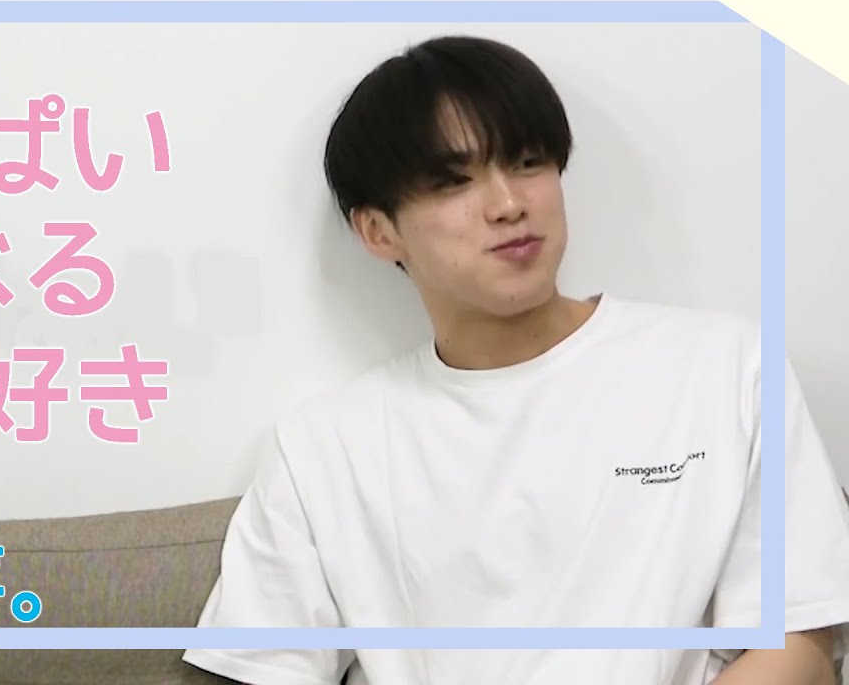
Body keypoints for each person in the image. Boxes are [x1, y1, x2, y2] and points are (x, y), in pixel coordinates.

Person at [180, 35, 849, 685]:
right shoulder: (324, 449)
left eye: (528, 162)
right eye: (453, 181)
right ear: (379, 231)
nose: (508, 205)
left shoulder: (723, 369)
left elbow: (801, 649)